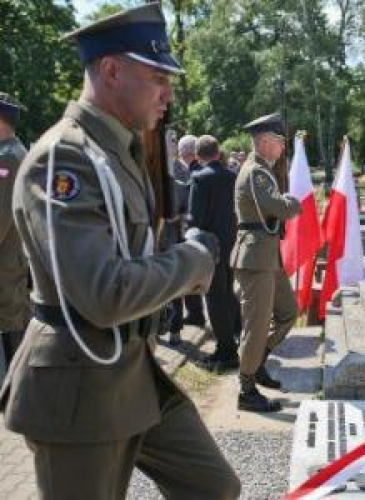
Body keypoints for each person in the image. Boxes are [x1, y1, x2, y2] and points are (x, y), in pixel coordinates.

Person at [0, 5, 241, 499]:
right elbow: (104, 293)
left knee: (214, 488)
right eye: (158, 78)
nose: (168, 94)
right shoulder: (64, 158)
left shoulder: (117, 149)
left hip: (130, 371)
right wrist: (193, 261)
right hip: (78, 384)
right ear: (111, 70)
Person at [232, 112, 300, 413]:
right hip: (255, 258)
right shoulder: (256, 172)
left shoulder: (262, 171)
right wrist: (293, 202)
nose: (283, 148)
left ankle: (257, 360)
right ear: (263, 142)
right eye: (279, 142)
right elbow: (278, 208)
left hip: (266, 256)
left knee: (288, 313)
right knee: (256, 326)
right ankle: (246, 388)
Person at [189, 135, 241, 372]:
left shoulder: (199, 178)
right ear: (219, 153)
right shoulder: (233, 176)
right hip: (232, 241)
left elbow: (196, 217)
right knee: (228, 292)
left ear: (198, 157)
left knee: (215, 298)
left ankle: (226, 351)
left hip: (212, 246)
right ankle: (238, 334)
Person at [0, 92, 30, 380]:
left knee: (10, 317)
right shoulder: (9, 153)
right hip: (10, 259)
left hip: (7, 261)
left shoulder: (9, 156)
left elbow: (1, 216)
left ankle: (16, 388)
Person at [171, 133, 207, 329]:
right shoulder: (197, 168)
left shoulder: (184, 171)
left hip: (183, 230)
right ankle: (195, 314)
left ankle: (187, 317)